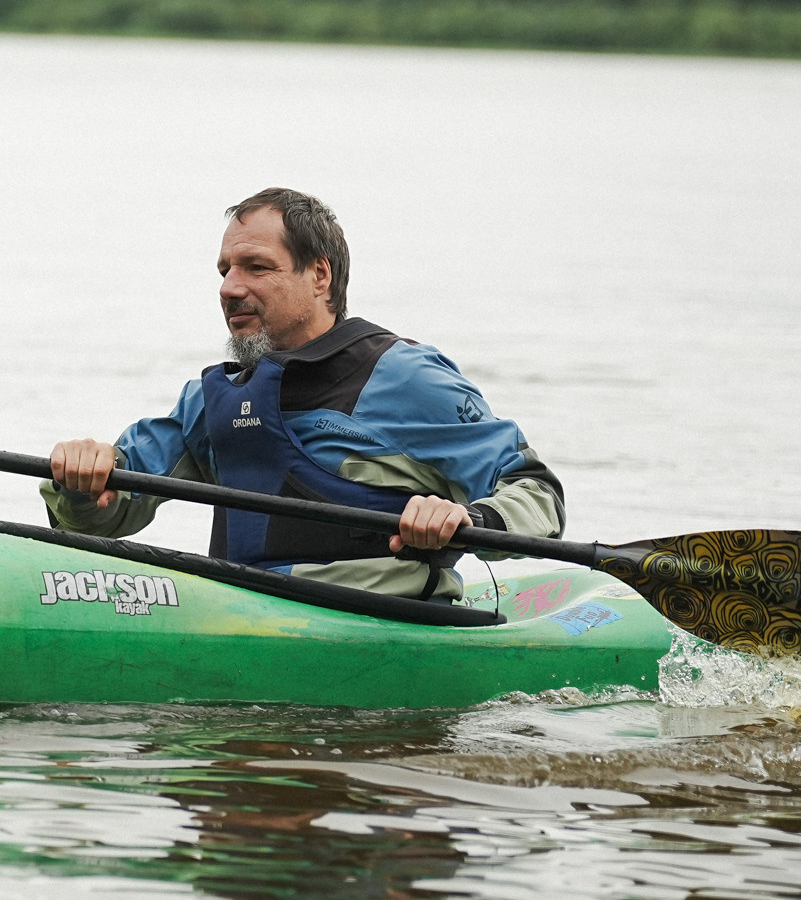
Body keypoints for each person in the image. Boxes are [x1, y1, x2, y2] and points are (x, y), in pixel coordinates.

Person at [45, 187, 564, 600]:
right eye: (225, 270)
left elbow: (538, 494)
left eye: (256, 267)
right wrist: (82, 480)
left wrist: (466, 519)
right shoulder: (213, 400)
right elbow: (107, 516)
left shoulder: (402, 376)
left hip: (380, 630)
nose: (228, 286)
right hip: (241, 619)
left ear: (319, 275)